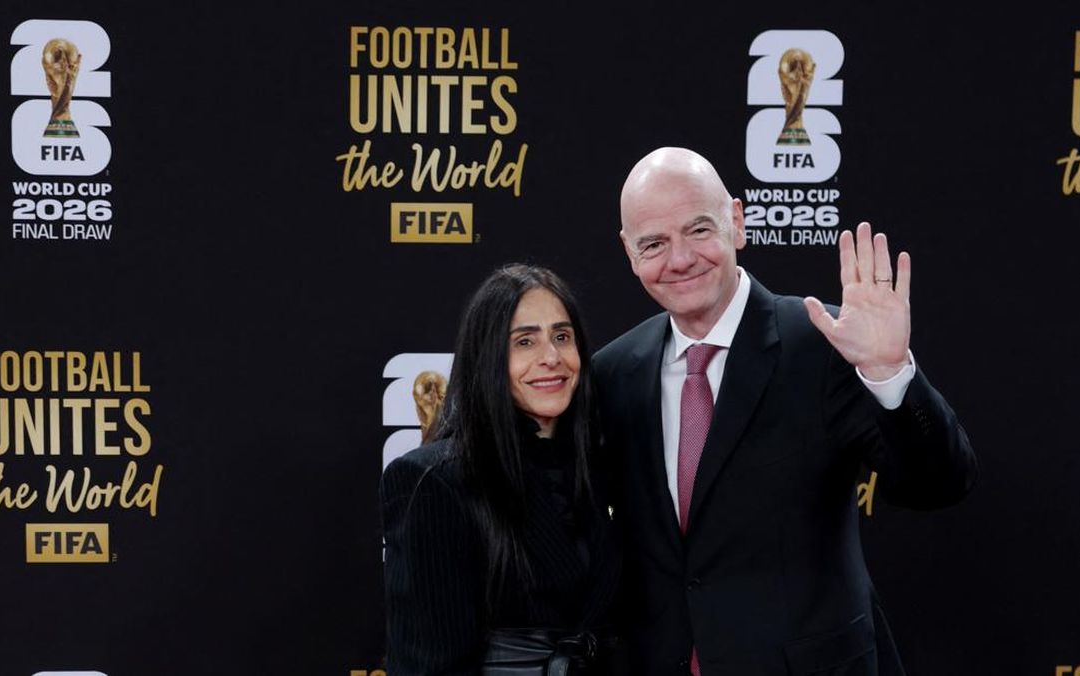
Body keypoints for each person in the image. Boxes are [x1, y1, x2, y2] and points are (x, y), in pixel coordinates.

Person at [592, 147, 977, 676]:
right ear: (629, 252)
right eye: (654, 243)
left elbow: (937, 485)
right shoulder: (612, 374)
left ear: (737, 222)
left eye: (699, 230)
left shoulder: (826, 344)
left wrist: (890, 373)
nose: (679, 259)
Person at [380, 264, 621, 675]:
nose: (551, 358)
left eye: (562, 337)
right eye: (525, 342)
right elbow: (427, 665)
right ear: (488, 357)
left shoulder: (603, 470)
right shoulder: (434, 481)